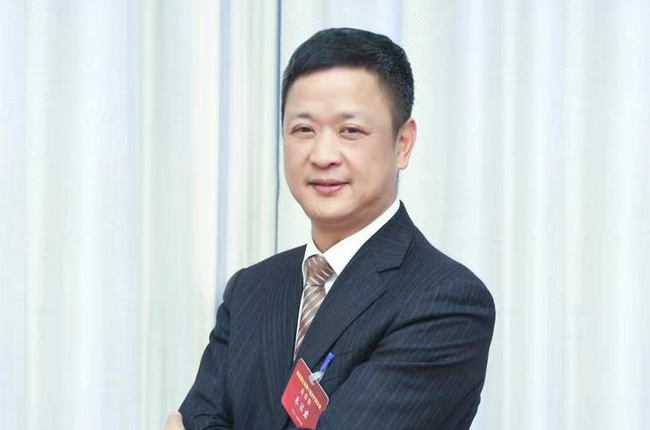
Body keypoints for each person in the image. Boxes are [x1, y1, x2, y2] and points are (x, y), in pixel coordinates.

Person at [166, 28, 495, 430]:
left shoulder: (446, 302)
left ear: (403, 144)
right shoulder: (250, 289)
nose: (322, 155)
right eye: (303, 129)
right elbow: (197, 416)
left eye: (350, 131)